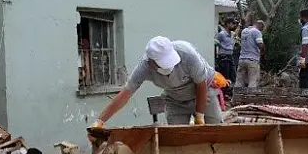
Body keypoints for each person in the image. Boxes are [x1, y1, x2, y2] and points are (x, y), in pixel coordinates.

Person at [91, 36, 229, 128]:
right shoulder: (144, 67)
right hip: (175, 100)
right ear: (151, 61)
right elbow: (125, 94)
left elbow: (201, 85)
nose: (170, 67)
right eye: (163, 64)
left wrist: (199, 115)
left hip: (204, 94)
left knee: (215, 130)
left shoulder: (188, 55)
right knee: (177, 139)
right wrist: (100, 121)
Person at [235, 20, 265, 88]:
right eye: (262, 29)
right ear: (260, 25)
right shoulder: (256, 32)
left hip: (242, 59)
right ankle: (250, 97)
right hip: (252, 60)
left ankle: (238, 97)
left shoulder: (244, 31)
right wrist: (263, 50)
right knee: (253, 81)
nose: (262, 30)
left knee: (239, 81)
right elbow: (260, 44)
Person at [215, 18, 238, 87]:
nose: (234, 25)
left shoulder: (232, 34)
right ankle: (224, 92)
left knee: (233, 75)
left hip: (230, 55)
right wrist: (221, 47)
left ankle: (230, 90)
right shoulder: (222, 34)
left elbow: (236, 35)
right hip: (224, 56)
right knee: (225, 75)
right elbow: (215, 42)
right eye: (232, 24)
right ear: (227, 24)